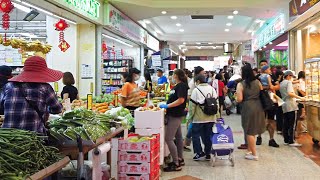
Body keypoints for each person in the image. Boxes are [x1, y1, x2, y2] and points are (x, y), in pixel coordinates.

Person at [0, 56, 63, 134]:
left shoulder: (8, 86)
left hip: (8, 135)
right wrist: (45, 109)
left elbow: (2, 106)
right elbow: (58, 109)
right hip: (34, 137)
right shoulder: (45, 88)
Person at [159, 69, 189, 172]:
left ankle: (176, 163)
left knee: (168, 138)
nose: (171, 77)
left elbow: (181, 100)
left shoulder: (181, 86)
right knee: (179, 137)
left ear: (176, 76)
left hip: (175, 115)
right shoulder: (178, 86)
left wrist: (167, 105)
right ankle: (180, 159)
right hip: (175, 114)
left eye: (172, 75)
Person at [236, 64, 265, 160]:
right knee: (254, 129)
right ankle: (249, 149)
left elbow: (239, 99)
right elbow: (261, 93)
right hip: (258, 106)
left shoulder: (241, 84)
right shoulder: (258, 82)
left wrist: (236, 98)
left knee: (249, 131)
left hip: (248, 107)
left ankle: (254, 153)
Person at [186, 74, 218, 161]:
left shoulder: (196, 90)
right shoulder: (212, 89)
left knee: (195, 135)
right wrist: (217, 116)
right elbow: (216, 103)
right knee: (208, 135)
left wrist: (189, 117)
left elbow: (192, 106)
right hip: (211, 117)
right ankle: (208, 153)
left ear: (198, 81)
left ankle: (199, 153)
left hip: (198, 118)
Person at [280, 70, 305, 147]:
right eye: (291, 76)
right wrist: (300, 97)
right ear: (288, 76)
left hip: (284, 105)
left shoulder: (282, 83)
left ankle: (286, 139)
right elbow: (290, 93)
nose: (292, 78)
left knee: (286, 123)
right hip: (291, 105)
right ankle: (291, 140)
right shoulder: (288, 83)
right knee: (292, 124)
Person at [259, 65, 279, 148]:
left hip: (268, 100)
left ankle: (271, 139)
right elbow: (272, 86)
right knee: (263, 119)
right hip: (265, 99)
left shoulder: (264, 76)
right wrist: (271, 88)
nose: (270, 70)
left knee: (270, 120)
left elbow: (277, 86)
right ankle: (259, 137)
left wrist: (265, 88)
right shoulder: (267, 76)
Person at [274, 70, 284, 134]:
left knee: (279, 115)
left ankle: (279, 129)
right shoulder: (279, 82)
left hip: (277, 99)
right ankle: (280, 128)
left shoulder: (274, 81)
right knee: (280, 114)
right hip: (280, 99)